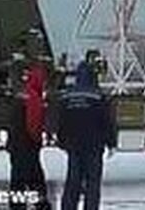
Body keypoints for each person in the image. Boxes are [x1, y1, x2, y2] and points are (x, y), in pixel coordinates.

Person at [58, 61, 111, 210]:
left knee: (73, 181)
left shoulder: (67, 96)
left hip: (74, 147)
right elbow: (106, 121)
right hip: (94, 147)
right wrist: (111, 142)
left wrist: (62, 141)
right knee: (92, 183)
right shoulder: (98, 96)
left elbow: (62, 121)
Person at [7, 63, 50, 210]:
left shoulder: (20, 95)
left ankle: (16, 205)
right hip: (28, 144)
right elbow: (33, 123)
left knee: (17, 178)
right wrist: (37, 139)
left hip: (16, 143)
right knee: (35, 177)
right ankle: (41, 204)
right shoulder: (33, 98)